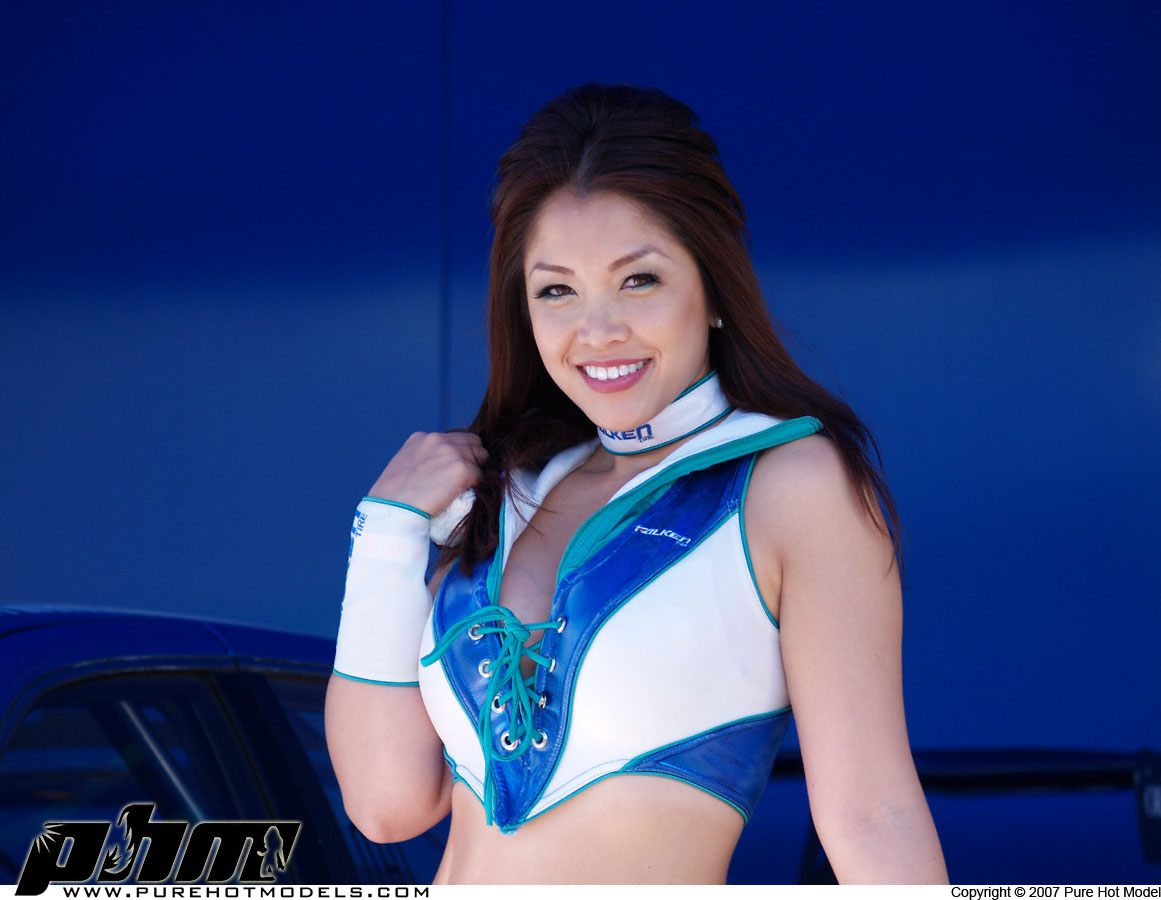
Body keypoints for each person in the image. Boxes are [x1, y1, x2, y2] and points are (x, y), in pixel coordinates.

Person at [325, 82, 947, 885]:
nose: (598, 331)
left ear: (714, 290)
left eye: (639, 280)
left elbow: (872, 816)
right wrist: (385, 534)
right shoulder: (502, 491)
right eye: (557, 290)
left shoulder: (791, 486)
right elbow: (385, 807)